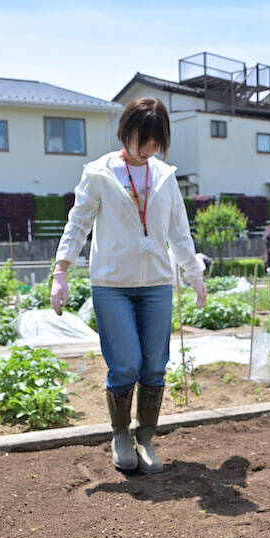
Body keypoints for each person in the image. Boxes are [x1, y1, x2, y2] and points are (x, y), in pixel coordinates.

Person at [51, 97, 207, 473]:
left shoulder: (165, 176)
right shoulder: (99, 173)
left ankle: (146, 438)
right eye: (142, 139)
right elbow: (78, 224)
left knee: (154, 365)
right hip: (112, 285)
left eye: (156, 142)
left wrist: (193, 274)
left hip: (156, 283)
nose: (148, 148)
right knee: (125, 365)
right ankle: (120, 434)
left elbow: (179, 232)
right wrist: (61, 272)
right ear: (125, 131)